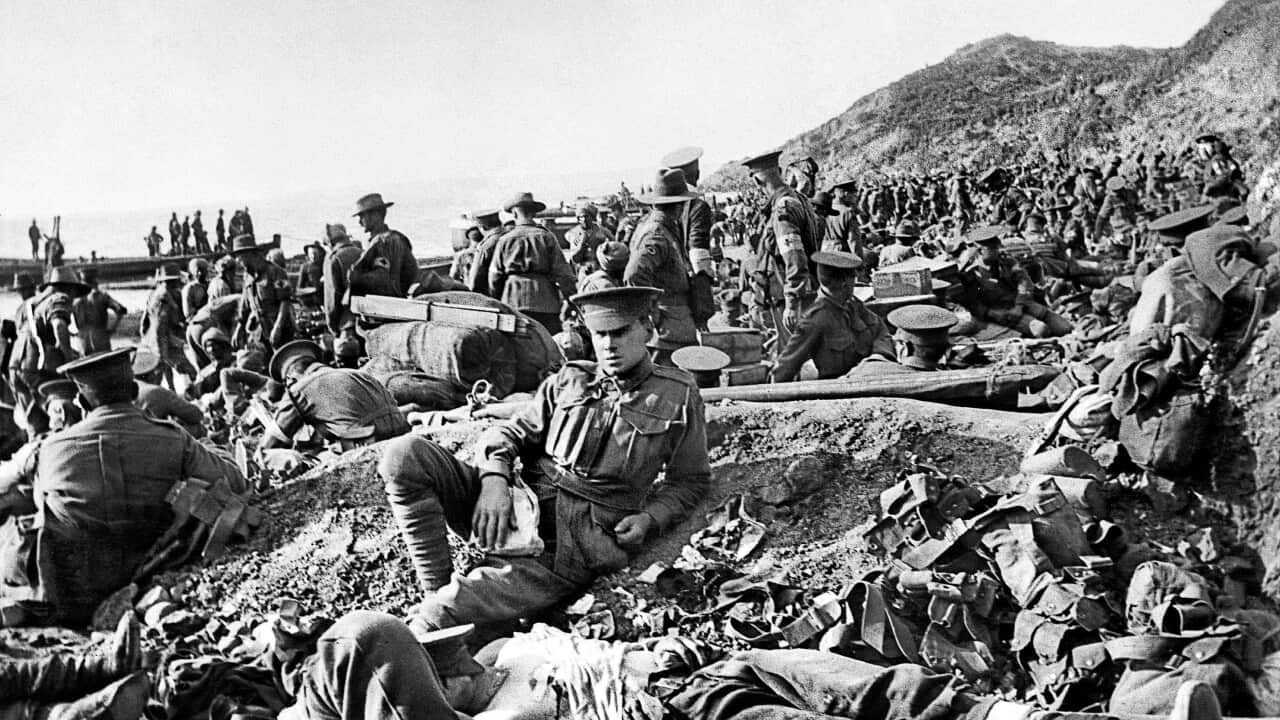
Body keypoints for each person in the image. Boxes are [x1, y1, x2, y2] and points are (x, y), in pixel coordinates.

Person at [376, 286, 710, 681]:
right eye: (600, 334)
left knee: (436, 615)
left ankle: (440, 628)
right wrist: (495, 481)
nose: (609, 345)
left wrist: (650, 519)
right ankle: (439, 593)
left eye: (620, 332)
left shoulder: (676, 395)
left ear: (647, 329)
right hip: (518, 507)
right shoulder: (570, 381)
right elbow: (510, 433)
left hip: (571, 543)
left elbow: (690, 480)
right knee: (405, 455)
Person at [0, 347, 245, 627]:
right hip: (151, 562)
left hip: (76, 580)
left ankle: (28, 604)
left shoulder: (51, 448)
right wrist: (208, 446)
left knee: (13, 543)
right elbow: (235, 481)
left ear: (82, 400)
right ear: (133, 389)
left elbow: (42, 503)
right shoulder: (174, 438)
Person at [259, 339, 409, 452]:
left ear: (290, 378)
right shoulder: (358, 373)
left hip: (366, 447)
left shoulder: (299, 389)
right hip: (403, 436)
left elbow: (273, 442)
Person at [769, 251, 894, 382]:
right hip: (840, 388)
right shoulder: (815, 319)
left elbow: (880, 330)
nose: (855, 282)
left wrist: (878, 358)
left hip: (869, 378)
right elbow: (784, 369)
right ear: (844, 283)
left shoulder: (853, 304)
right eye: (853, 278)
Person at [742, 150, 820, 348]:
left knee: (793, 354)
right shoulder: (798, 199)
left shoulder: (782, 209)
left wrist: (792, 303)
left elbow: (794, 257)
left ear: (757, 182)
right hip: (805, 289)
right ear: (779, 170)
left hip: (791, 298)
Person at [623, 170, 701, 365]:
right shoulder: (656, 233)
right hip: (668, 325)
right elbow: (634, 274)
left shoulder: (662, 226)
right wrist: (652, 313)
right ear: (679, 206)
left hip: (673, 322)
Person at [487, 192, 577, 334]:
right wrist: (571, 299)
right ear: (534, 213)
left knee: (517, 344)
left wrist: (496, 300)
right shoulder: (546, 237)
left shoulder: (504, 240)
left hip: (513, 302)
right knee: (548, 341)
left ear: (514, 214)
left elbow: (494, 276)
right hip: (546, 301)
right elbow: (563, 273)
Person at [9, 267, 87, 426]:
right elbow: (59, 325)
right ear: (69, 288)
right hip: (38, 370)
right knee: (62, 410)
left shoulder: (26, 305)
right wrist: (69, 360)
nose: (73, 298)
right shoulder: (59, 298)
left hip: (16, 368)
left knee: (36, 423)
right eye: (75, 292)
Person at [850, 304, 960, 377]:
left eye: (896, 343)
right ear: (945, 347)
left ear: (905, 347)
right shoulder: (952, 379)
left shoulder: (870, 371)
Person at [230, 234, 294, 354]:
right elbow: (245, 306)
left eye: (239, 257)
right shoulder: (247, 277)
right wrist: (239, 328)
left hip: (280, 329)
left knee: (283, 360)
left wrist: (278, 328)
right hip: (259, 331)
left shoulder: (276, 272)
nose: (238, 261)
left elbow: (285, 301)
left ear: (250, 254)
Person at [349, 193, 419, 299]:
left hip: (394, 303)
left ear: (375, 215)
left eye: (362, 216)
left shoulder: (385, 241)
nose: (359, 222)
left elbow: (383, 278)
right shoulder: (390, 238)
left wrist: (356, 278)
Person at [660, 146, 717, 276]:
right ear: (698, 174)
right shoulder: (698, 206)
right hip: (688, 276)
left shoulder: (661, 204)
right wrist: (705, 279)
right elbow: (698, 254)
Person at [139, 264, 194, 389]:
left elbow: (144, 321)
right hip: (166, 340)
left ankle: (171, 389)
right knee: (188, 371)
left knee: (162, 370)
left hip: (153, 339)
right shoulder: (167, 297)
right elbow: (162, 324)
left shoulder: (153, 294)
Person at [131, 349, 206, 437]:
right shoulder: (155, 391)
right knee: (196, 427)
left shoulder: (127, 388)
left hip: (133, 437)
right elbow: (195, 414)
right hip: (153, 439)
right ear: (154, 373)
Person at [320, 223, 364, 366]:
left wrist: (333, 328)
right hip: (369, 321)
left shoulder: (333, 259)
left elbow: (332, 299)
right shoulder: (362, 253)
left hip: (347, 325)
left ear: (329, 242)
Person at [70, 267, 127, 355]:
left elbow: (63, 314)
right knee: (104, 361)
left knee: (85, 362)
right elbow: (121, 310)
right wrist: (112, 329)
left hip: (82, 337)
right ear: (95, 280)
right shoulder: (102, 296)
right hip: (100, 335)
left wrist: (70, 333)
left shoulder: (74, 298)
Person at [564, 201, 614, 279]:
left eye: (587, 216)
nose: (584, 219)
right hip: (583, 269)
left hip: (601, 268)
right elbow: (574, 258)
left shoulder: (602, 231)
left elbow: (615, 246)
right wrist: (582, 244)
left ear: (592, 217)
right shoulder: (573, 233)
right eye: (581, 217)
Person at [464, 209, 506, 297]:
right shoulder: (510, 236)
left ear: (482, 226)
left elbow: (475, 280)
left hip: (494, 296)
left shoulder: (486, 245)